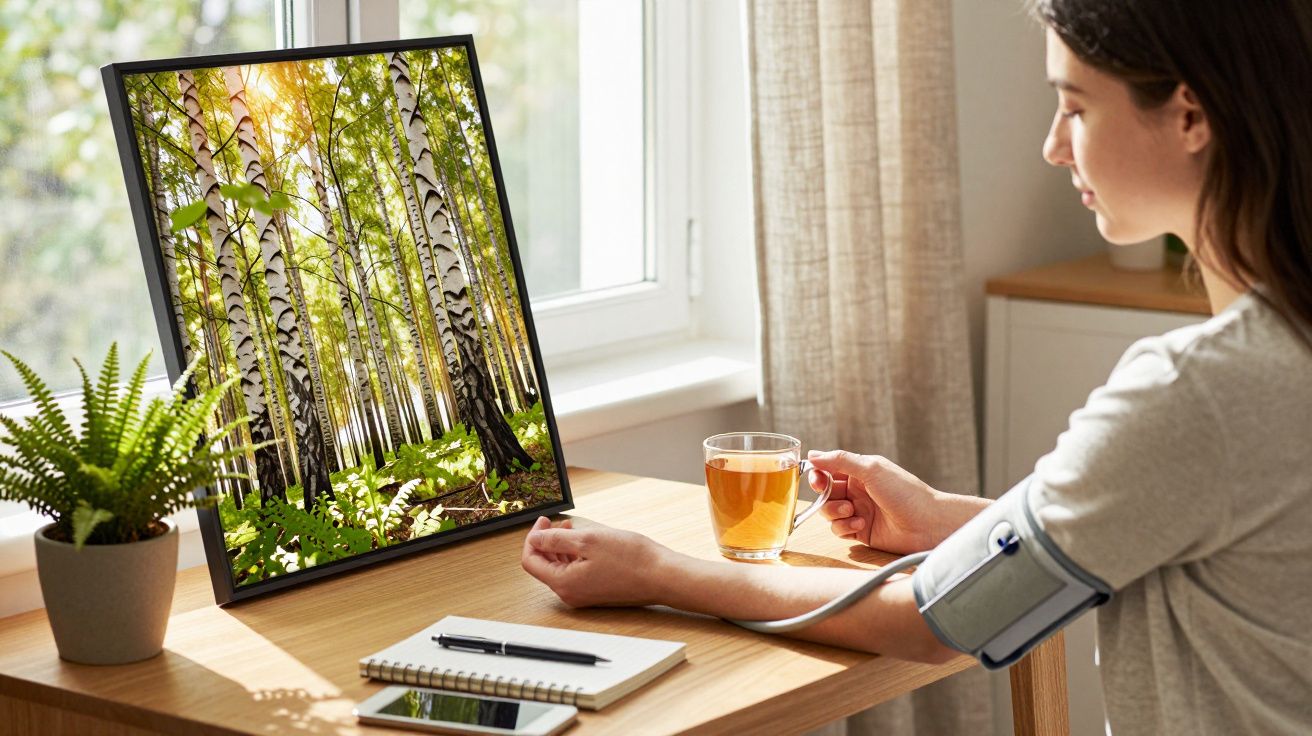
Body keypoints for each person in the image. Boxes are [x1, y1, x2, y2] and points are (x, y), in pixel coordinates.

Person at [520, 1, 1312, 733]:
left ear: (1190, 115)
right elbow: (1147, 520)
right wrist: (938, 517)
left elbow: (931, 621)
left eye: (1075, 107)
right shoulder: (1281, 350)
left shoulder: (1196, 392)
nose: (1051, 145)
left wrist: (660, 571)